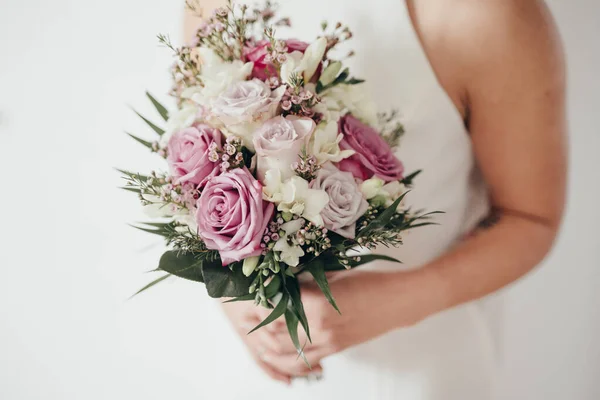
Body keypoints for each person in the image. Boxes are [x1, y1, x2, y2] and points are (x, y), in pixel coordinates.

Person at [184, 0, 567, 398]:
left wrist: (394, 303)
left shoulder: (486, 14)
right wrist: (230, 292)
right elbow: (194, 156)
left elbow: (530, 218)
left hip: (415, 367)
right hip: (251, 361)